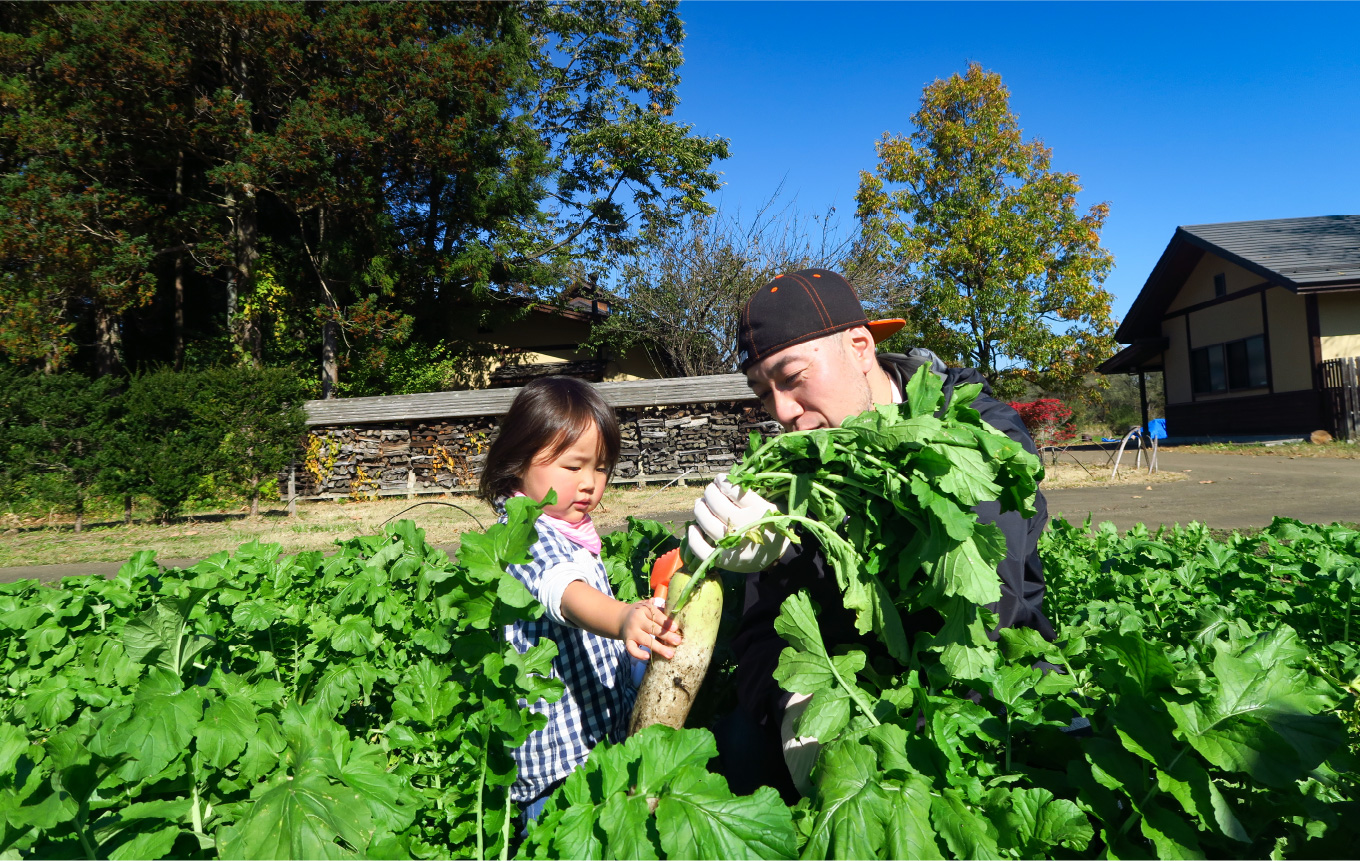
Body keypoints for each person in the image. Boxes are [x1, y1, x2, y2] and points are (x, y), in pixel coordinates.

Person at [690, 268, 1056, 798]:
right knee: (738, 751)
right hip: (844, 684)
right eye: (763, 392)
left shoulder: (979, 430)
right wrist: (792, 702)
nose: (782, 412)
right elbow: (759, 627)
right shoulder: (791, 471)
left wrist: (795, 557)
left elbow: (986, 604)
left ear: (861, 347)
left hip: (987, 680)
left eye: (792, 378)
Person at [478, 376, 682, 825]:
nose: (590, 483)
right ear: (518, 463)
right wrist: (623, 616)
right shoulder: (526, 536)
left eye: (602, 467)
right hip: (558, 771)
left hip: (593, 745)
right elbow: (563, 593)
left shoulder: (566, 528)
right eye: (573, 467)